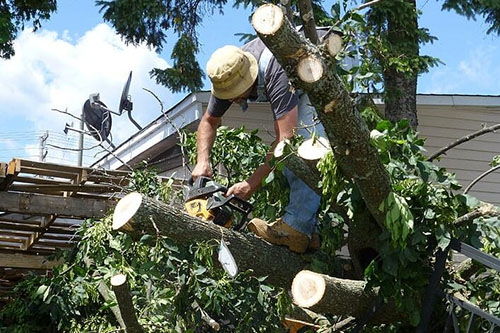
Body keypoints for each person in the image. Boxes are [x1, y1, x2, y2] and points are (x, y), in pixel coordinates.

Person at [191, 38, 326, 253]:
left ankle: (297, 228)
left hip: (314, 71)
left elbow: (285, 141)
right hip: (294, 81)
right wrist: (202, 161)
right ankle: (312, 233)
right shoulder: (227, 74)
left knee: (304, 144)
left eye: (235, 95)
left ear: (249, 79)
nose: (232, 100)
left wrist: (250, 184)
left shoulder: (275, 70)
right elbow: (208, 121)